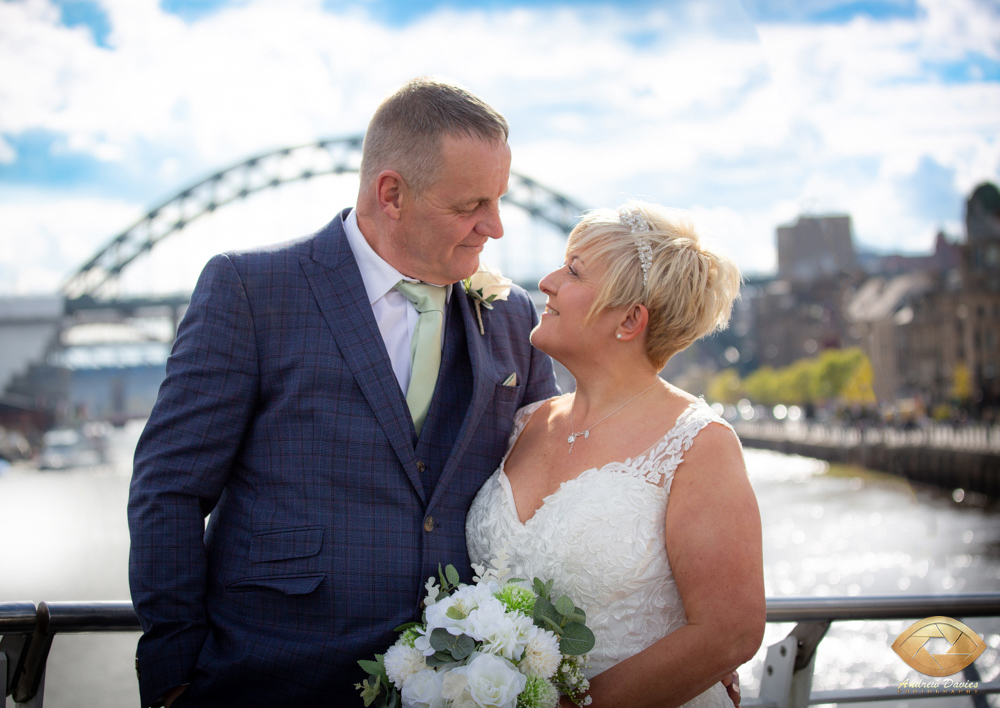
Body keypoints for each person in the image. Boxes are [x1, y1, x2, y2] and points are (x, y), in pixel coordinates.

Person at [127, 77, 561, 707]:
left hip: (464, 686)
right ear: (391, 193)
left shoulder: (514, 314)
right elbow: (169, 487)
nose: (493, 227)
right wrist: (172, 673)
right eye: (471, 205)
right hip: (272, 675)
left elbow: (547, 491)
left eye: (499, 200)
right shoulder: (252, 290)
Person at [467, 202, 765, 708]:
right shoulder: (524, 423)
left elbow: (729, 633)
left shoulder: (698, 444)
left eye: (574, 271)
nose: (546, 281)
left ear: (629, 319)